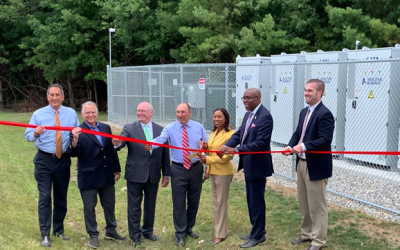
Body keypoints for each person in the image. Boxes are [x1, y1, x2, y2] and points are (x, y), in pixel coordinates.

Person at [144, 103, 208, 247]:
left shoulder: (199, 127)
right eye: (178, 112)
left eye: (183, 112)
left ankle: (189, 228)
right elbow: (160, 140)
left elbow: (206, 147)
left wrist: (207, 166)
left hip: (195, 168)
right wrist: (150, 144)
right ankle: (180, 233)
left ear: (190, 113)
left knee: (194, 200)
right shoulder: (170, 128)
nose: (180, 115)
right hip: (178, 169)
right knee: (179, 203)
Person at [24, 84, 80, 247]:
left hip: (63, 160)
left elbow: (76, 133)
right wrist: (35, 133)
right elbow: (28, 135)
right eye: (51, 95)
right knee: (45, 197)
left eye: (57, 95)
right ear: (47, 97)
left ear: (63, 97)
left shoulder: (70, 113)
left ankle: (58, 230)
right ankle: (45, 234)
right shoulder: (38, 114)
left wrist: (76, 137)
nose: (54, 98)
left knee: (61, 197)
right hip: (44, 161)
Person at [282, 79, 334, 250]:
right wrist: (290, 146)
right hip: (301, 163)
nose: (306, 93)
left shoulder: (325, 114)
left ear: (320, 93)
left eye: (310, 91)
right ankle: (306, 234)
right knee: (304, 203)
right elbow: (298, 133)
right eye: (305, 90)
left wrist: (303, 146)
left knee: (316, 205)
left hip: (316, 166)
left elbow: (325, 140)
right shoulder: (304, 111)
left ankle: (318, 241)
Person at [220, 88, 273, 248]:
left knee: (256, 201)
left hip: (258, 165)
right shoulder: (248, 115)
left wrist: (236, 150)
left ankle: (258, 236)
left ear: (257, 98)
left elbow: (260, 144)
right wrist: (226, 146)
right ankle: (256, 230)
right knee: (251, 200)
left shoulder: (265, 117)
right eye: (243, 98)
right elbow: (240, 134)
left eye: (248, 98)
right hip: (249, 164)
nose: (244, 100)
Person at [112, 102, 170, 247]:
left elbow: (164, 154)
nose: (140, 113)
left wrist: (166, 174)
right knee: (134, 207)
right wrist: (117, 143)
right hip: (135, 174)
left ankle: (148, 231)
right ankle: (135, 235)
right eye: (138, 111)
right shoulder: (129, 128)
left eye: (143, 111)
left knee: (150, 205)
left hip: (153, 174)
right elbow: (122, 141)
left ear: (151, 112)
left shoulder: (161, 130)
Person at [70, 101, 126, 249]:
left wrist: (117, 168)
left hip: (106, 173)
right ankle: (93, 235)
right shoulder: (78, 131)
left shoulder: (105, 127)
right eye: (87, 112)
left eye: (93, 112)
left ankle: (111, 230)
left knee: (109, 204)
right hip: (89, 175)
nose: (90, 115)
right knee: (89, 207)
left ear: (97, 113)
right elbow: (74, 153)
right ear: (82, 114)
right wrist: (74, 139)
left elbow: (111, 149)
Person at [197, 108, 235, 245]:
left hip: (223, 173)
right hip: (213, 172)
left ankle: (220, 234)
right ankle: (218, 231)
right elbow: (213, 150)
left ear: (226, 118)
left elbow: (227, 156)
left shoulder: (231, 134)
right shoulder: (214, 132)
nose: (216, 119)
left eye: (219, 117)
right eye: (214, 117)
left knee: (221, 203)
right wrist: (206, 146)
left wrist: (207, 161)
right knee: (216, 203)